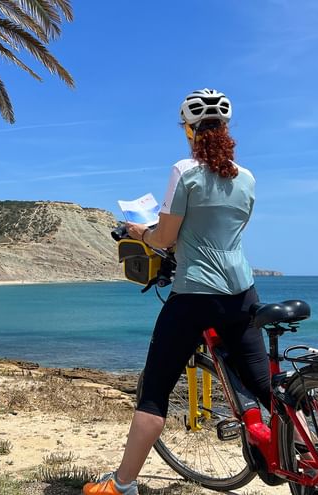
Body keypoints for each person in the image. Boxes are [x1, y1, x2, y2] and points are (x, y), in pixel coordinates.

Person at [83, 89, 270, 495]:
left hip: (195, 295)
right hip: (243, 293)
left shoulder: (184, 171)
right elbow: (228, 233)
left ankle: (122, 484)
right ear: (226, 129)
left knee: (154, 393)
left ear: (189, 129)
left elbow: (165, 239)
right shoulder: (248, 178)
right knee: (266, 388)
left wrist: (139, 231)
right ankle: (303, 455)